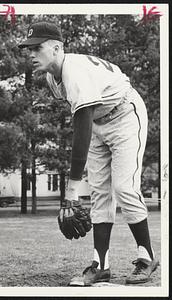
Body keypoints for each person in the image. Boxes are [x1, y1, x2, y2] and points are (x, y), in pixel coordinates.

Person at [19, 21, 159, 286]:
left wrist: (70, 190)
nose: (31, 54)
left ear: (57, 47)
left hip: (125, 114)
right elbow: (83, 121)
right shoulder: (53, 77)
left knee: (124, 187)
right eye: (29, 49)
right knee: (100, 193)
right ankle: (101, 265)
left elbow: (81, 125)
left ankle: (146, 257)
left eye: (37, 48)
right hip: (99, 122)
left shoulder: (74, 71)